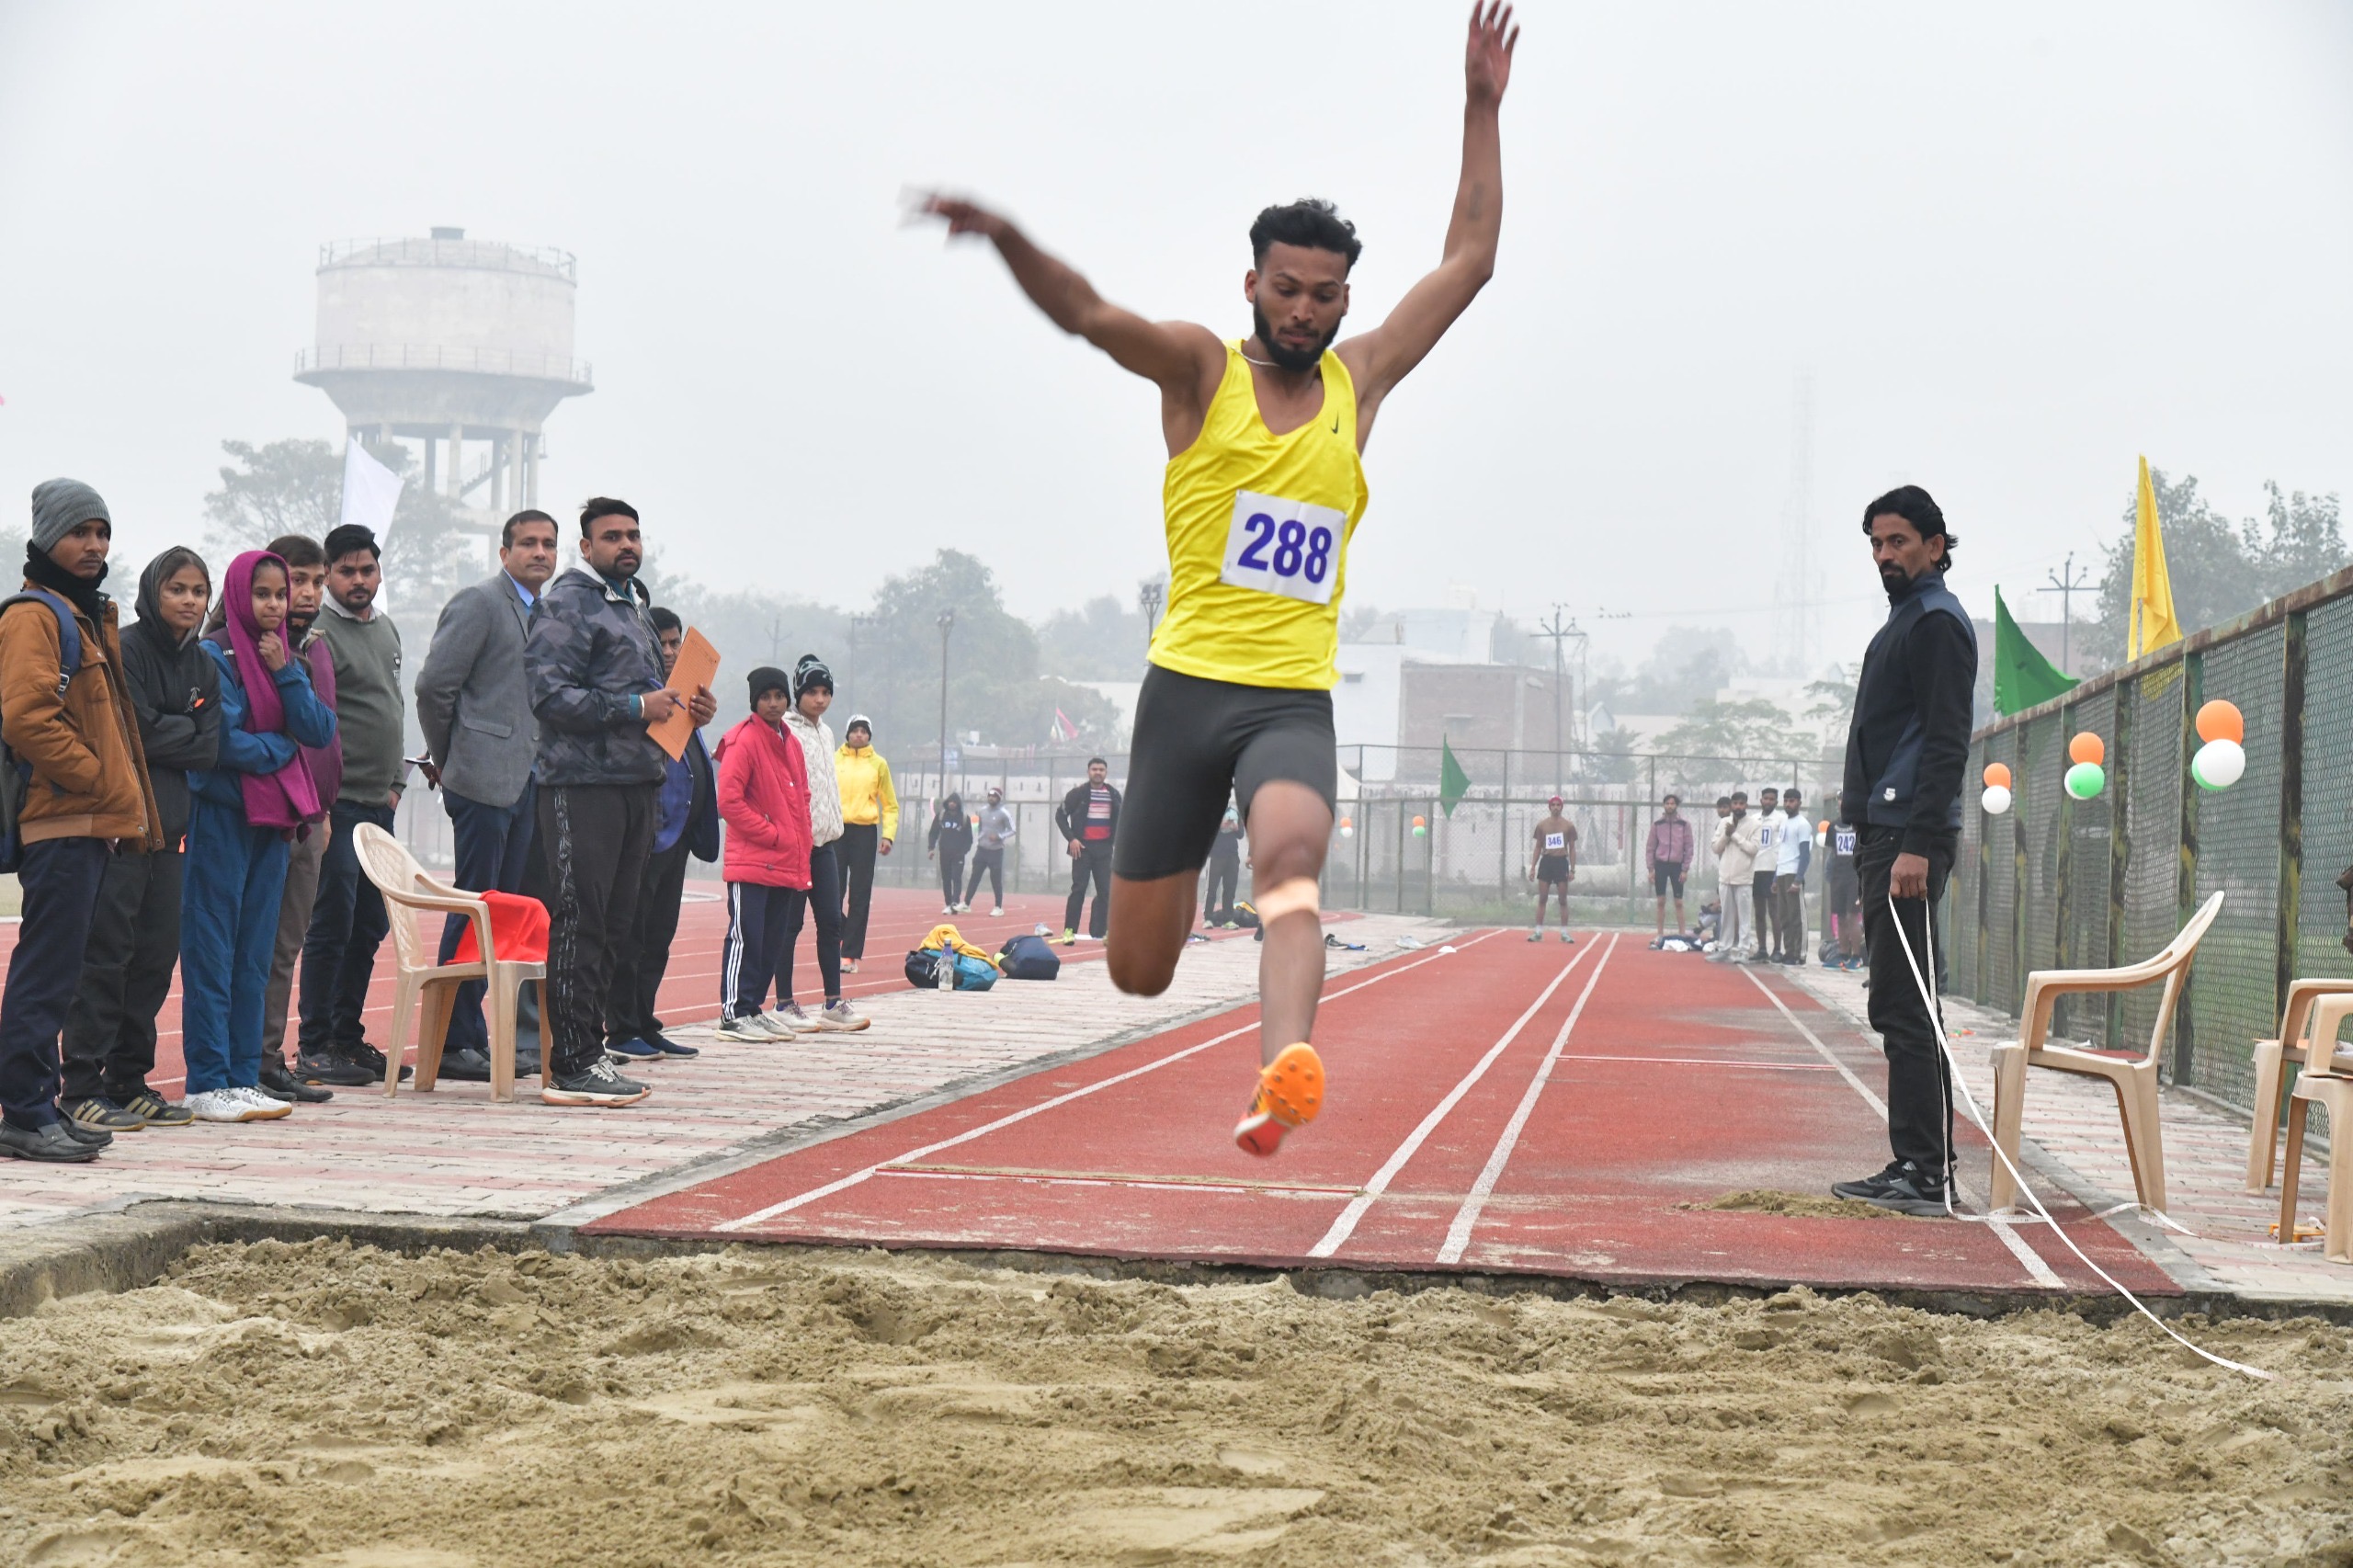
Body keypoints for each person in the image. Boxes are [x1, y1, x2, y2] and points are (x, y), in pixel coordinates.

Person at [923, 5, 1518, 1155]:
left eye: (1325, 295)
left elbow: (1470, 261)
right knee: (1140, 966)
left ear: (1345, 300)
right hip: (1183, 696)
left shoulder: (1358, 383)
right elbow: (1089, 315)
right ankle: (1185, 905)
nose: (1304, 310)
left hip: (1289, 699)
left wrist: (1479, 106)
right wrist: (1005, 238)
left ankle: (1280, 1072)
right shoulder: (1203, 372)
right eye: (1287, 288)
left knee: (1291, 864)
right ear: (1253, 281)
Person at [526, 497, 716, 1108]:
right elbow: (549, 696)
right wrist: (637, 707)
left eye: (633, 535)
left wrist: (687, 708)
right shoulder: (568, 603)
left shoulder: (631, 604)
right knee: (582, 920)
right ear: (586, 547)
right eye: (612, 536)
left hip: (640, 782)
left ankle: (593, 1048)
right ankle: (571, 1063)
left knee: (616, 925)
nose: (626, 544)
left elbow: (648, 695)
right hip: (582, 786)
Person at [0, 481, 162, 1161]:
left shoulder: (82, 614)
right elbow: (26, 718)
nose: (94, 546)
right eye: (79, 532)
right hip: (62, 818)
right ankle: (23, 1113)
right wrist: (95, 778)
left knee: (62, 974)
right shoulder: (35, 617)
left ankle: (40, 1107)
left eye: (102, 533)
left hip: (87, 821)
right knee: (45, 973)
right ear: (47, 539)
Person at [1831, 485, 1976, 1216]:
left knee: (1907, 1004)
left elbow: (1947, 740)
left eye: (1898, 542)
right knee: (1896, 1001)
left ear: (1935, 546)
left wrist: (1917, 844)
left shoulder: (1936, 623)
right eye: (1876, 544)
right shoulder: (1906, 619)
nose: (1884, 555)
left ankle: (1924, 1173)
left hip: (1906, 839)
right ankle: (1917, 1163)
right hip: (1884, 834)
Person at [59, 547, 217, 1131]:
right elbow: (134, 734)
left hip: (171, 836)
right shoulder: (124, 649)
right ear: (154, 592)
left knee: (154, 960)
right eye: (177, 589)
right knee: (106, 959)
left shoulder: (202, 664)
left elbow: (210, 747)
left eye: (198, 591)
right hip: (122, 834)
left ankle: (128, 1081)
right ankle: (81, 1086)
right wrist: (184, 727)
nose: (189, 601)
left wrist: (174, 731)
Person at [183, 551, 336, 1123]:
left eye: (280, 594)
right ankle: (206, 1081)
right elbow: (223, 741)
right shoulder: (213, 654)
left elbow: (318, 729)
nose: (274, 605)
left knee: (254, 953)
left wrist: (285, 673)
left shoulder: (285, 656)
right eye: (262, 594)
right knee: (213, 951)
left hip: (273, 823)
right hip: (223, 818)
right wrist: (281, 748)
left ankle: (243, 1076)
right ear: (238, 595)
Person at [413, 507, 558, 1080]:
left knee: (500, 911)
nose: (539, 553)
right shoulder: (480, 603)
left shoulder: (545, 613)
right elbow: (433, 687)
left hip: (526, 782)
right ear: (504, 553)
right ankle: (453, 1041)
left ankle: (472, 1035)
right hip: (480, 781)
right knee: (474, 906)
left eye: (548, 544)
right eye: (528, 543)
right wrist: (451, 760)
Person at [294, 523, 407, 1088]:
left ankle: (346, 1036)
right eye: (346, 571)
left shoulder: (385, 628)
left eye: (367, 569)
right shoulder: (319, 636)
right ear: (328, 576)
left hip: (380, 805)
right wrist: (322, 804)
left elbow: (393, 706)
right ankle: (314, 1045)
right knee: (332, 922)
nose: (358, 580)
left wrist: (397, 783)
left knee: (369, 924)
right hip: (337, 807)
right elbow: (318, 725)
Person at [606, 606, 721, 1063]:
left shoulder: (684, 696)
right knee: (630, 936)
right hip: (647, 832)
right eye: (663, 642)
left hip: (679, 835)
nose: (670, 651)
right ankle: (621, 1029)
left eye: (676, 642)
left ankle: (645, 1023)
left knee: (659, 936)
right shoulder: (636, 694)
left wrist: (701, 715)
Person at [255, 535, 337, 1102]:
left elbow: (325, 733)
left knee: (286, 946)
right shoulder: (241, 647)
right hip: (262, 818)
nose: (304, 594)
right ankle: (242, 1061)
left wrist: (323, 809)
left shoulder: (318, 648)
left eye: (314, 582)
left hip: (312, 817)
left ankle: (268, 1059)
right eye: (294, 582)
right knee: (250, 946)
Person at [713, 666, 814, 1041]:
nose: (773, 703)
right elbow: (729, 801)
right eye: (765, 697)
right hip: (753, 862)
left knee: (772, 941)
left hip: (785, 861)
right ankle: (734, 1013)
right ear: (754, 701)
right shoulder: (743, 741)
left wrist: (800, 843)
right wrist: (772, 834)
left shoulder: (792, 743)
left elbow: (802, 797)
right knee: (747, 937)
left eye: (779, 696)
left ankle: (753, 1008)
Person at [779, 656, 867, 1030]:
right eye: (812, 692)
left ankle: (833, 1002)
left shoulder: (828, 733)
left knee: (831, 922)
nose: (820, 699)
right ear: (798, 693)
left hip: (826, 843)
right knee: (790, 925)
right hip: (796, 845)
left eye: (826, 692)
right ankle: (784, 1003)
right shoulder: (785, 730)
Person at [833, 715, 897, 971]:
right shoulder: (833, 759)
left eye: (863, 731)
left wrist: (888, 835)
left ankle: (849, 954)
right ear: (847, 733)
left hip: (865, 833)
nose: (859, 735)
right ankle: (845, 933)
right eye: (854, 730)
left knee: (859, 894)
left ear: (869, 735)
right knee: (830, 893)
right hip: (835, 832)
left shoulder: (878, 764)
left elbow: (890, 805)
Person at [1054, 758, 1120, 944]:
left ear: (1106, 773)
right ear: (1088, 772)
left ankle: (1107, 932)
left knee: (1106, 891)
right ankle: (1069, 931)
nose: (1098, 772)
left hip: (1104, 849)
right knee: (1078, 889)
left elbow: (1121, 818)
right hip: (1082, 849)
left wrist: (1117, 843)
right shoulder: (1078, 794)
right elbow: (1060, 816)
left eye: (1101, 769)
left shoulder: (1114, 794)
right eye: (1094, 769)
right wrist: (1072, 839)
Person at [1709, 792, 1758, 964]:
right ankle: (1724, 949)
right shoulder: (1724, 823)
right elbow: (1716, 848)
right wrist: (1727, 834)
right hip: (1725, 877)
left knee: (1744, 917)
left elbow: (1753, 849)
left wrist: (1735, 835)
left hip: (1744, 878)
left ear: (1746, 805)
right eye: (1735, 803)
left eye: (1741, 803)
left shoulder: (1754, 824)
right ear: (1731, 805)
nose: (1738, 807)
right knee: (1726, 916)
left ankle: (1744, 951)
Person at [1526, 793, 1578, 942]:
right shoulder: (1542, 825)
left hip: (1561, 862)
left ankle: (1564, 933)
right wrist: (1533, 867)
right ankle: (1538, 932)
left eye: (1558, 805)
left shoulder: (1568, 826)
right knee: (1542, 898)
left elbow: (1572, 848)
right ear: (1550, 807)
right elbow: (1538, 847)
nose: (1556, 807)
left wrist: (1572, 869)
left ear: (1562, 807)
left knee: (1563, 899)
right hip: (1546, 862)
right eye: (1553, 805)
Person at [1644, 792, 1693, 946]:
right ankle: (1659, 934)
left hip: (1677, 865)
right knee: (1661, 901)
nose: (1670, 806)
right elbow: (1650, 847)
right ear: (1664, 805)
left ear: (1676, 805)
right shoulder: (1657, 825)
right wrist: (1651, 869)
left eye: (1672, 803)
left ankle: (1682, 934)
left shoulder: (1684, 825)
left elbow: (1689, 847)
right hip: (1661, 865)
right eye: (1667, 803)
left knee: (1679, 902)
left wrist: (1685, 869)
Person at [1824, 798, 1863, 970]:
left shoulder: (1860, 824)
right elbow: (1832, 853)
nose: (1843, 802)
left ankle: (1856, 956)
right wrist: (1830, 875)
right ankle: (1843, 954)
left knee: (1852, 916)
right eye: (1840, 799)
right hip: (1838, 877)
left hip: (1854, 876)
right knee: (1840, 916)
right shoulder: (1833, 826)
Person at [1772, 786, 1810, 964]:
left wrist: (1798, 879)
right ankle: (1789, 952)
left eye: (1792, 801)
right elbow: (1782, 850)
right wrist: (1775, 877)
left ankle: (1799, 954)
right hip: (1782, 872)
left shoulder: (1803, 824)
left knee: (1797, 917)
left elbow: (1805, 854)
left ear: (1799, 803)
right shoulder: (1784, 823)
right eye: (1786, 801)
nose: (1788, 804)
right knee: (1784, 917)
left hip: (1793, 873)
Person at [1748, 785, 1780, 962]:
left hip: (1772, 869)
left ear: (1776, 802)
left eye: (1771, 799)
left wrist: (1778, 873)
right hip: (1756, 869)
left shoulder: (1780, 820)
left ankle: (1777, 949)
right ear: (1761, 800)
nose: (1768, 802)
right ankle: (1762, 949)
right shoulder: (1753, 819)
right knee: (1759, 912)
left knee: (1774, 911)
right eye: (1765, 799)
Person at [972, 784, 1015, 917]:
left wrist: (999, 836)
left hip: (996, 851)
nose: (991, 798)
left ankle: (998, 907)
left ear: (999, 798)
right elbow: (977, 826)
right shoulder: (982, 811)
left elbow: (1013, 830)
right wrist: (979, 836)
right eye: (989, 796)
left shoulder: (1004, 813)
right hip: (982, 849)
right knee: (974, 876)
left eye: (994, 796)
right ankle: (966, 903)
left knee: (995, 880)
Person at [927, 791, 974, 914]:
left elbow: (969, 839)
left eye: (954, 802)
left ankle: (955, 902)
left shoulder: (964, 818)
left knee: (956, 877)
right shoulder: (941, 816)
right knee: (946, 879)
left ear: (958, 804)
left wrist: (963, 851)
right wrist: (931, 848)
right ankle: (948, 903)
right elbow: (933, 833)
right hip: (944, 853)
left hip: (958, 854)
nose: (952, 804)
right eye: (950, 802)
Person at [1202, 807, 1243, 926]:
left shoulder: (1234, 813)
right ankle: (1208, 918)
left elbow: (1241, 834)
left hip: (1232, 856)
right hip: (1216, 856)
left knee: (1230, 889)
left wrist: (1236, 828)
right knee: (1211, 889)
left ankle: (1228, 919)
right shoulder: (1212, 811)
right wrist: (1220, 826)